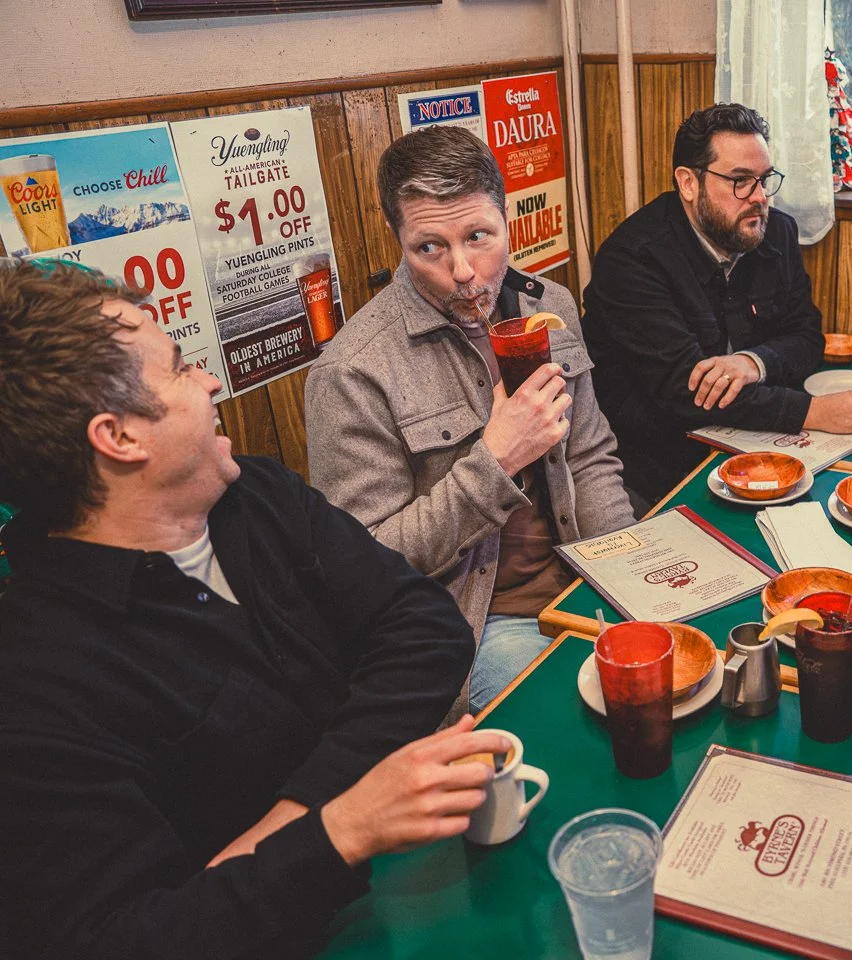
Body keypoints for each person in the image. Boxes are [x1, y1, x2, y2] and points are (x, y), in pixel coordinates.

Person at [0, 261, 505, 959]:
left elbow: (426, 628)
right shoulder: (34, 679)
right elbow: (119, 938)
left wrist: (302, 819)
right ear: (119, 438)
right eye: (180, 368)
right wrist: (341, 829)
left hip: (400, 884)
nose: (209, 381)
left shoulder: (255, 493)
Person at [305, 126, 634, 712]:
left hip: (586, 577)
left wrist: (624, 571)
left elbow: (589, 456)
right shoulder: (352, 371)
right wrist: (496, 461)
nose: (462, 270)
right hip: (480, 624)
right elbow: (364, 567)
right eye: (429, 247)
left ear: (507, 222)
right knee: (583, 721)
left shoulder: (549, 307)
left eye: (479, 237)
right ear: (398, 241)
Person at [582, 103, 852, 506]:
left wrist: (753, 362)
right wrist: (813, 412)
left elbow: (806, 337)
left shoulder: (776, 232)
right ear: (688, 183)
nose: (760, 197)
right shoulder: (633, 259)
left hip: (757, 446)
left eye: (764, 180)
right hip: (658, 467)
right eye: (741, 181)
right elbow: (686, 393)